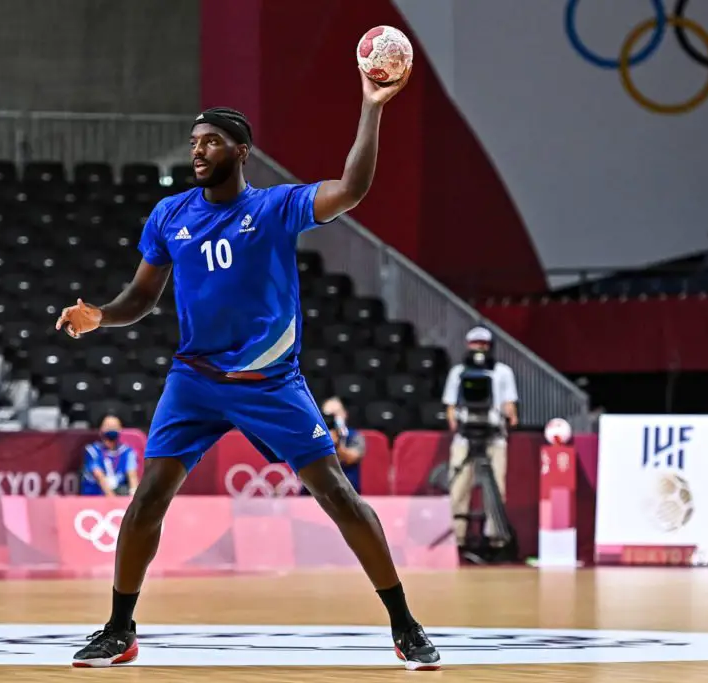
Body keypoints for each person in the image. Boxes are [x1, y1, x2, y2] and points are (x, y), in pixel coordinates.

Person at [56, 66, 440, 671]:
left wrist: (372, 105)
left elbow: (351, 189)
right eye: (193, 142)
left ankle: (404, 623)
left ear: (241, 151)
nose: (198, 151)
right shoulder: (169, 214)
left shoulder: (275, 207)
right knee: (148, 496)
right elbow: (143, 298)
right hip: (195, 380)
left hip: (270, 381)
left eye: (211, 141)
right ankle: (118, 629)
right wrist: (100, 316)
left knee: (337, 493)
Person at [441, 326, 518, 547]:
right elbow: (450, 406)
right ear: (468, 345)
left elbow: (510, 406)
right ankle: (456, 538)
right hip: (464, 437)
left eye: (483, 344)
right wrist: (455, 423)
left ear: (490, 346)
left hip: (494, 437)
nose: (479, 348)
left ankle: (495, 537)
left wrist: (510, 415)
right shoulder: (457, 373)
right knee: (459, 486)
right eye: (475, 343)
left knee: (495, 489)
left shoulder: (503, 372)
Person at [81, 415, 140, 496]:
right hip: (95, 496)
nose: (111, 429)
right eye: (108, 426)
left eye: (114, 426)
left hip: (119, 494)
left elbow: (132, 476)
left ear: (120, 429)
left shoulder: (127, 452)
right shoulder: (92, 450)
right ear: (101, 429)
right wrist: (113, 500)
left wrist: (133, 496)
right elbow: (99, 477)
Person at [320, 396, 366, 493]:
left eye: (336, 413)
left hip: (348, 491)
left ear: (345, 414)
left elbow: (352, 457)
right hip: (317, 491)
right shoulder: (315, 437)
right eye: (328, 415)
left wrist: (337, 444)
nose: (333, 418)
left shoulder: (355, 436)